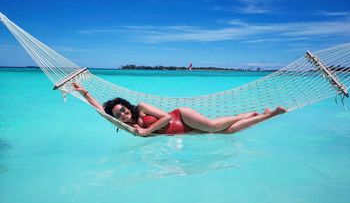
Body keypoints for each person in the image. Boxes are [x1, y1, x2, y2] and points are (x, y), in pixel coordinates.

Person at [73, 83, 287, 136]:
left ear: (128, 106)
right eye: (118, 113)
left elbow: (166, 118)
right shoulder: (127, 125)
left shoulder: (142, 109)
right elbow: (101, 110)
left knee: (213, 126)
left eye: (123, 109)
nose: (122, 114)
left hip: (181, 116)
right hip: (187, 131)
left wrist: (147, 131)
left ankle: (253, 114)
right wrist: (84, 94)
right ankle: (267, 115)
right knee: (228, 131)